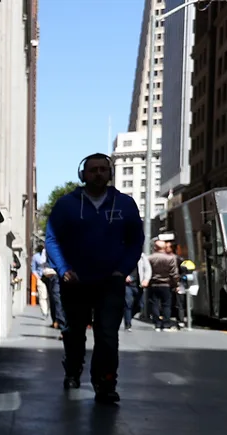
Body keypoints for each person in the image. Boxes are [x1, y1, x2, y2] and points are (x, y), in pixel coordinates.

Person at [44, 153, 144, 403]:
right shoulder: (67, 204)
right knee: (74, 331)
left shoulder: (125, 204)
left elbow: (135, 241)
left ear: (110, 173)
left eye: (103, 169)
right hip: (75, 281)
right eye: (93, 170)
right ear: (83, 174)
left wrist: (123, 269)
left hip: (110, 282)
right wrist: (64, 269)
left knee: (108, 334)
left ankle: (106, 382)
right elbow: (52, 239)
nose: (98, 173)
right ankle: (73, 371)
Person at [148, 240, 179, 331]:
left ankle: (157, 323)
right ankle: (166, 324)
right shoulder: (170, 258)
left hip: (153, 284)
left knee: (154, 304)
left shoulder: (150, 258)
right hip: (166, 284)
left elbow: (146, 271)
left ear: (155, 247)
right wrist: (175, 284)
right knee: (166, 305)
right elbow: (174, 273)